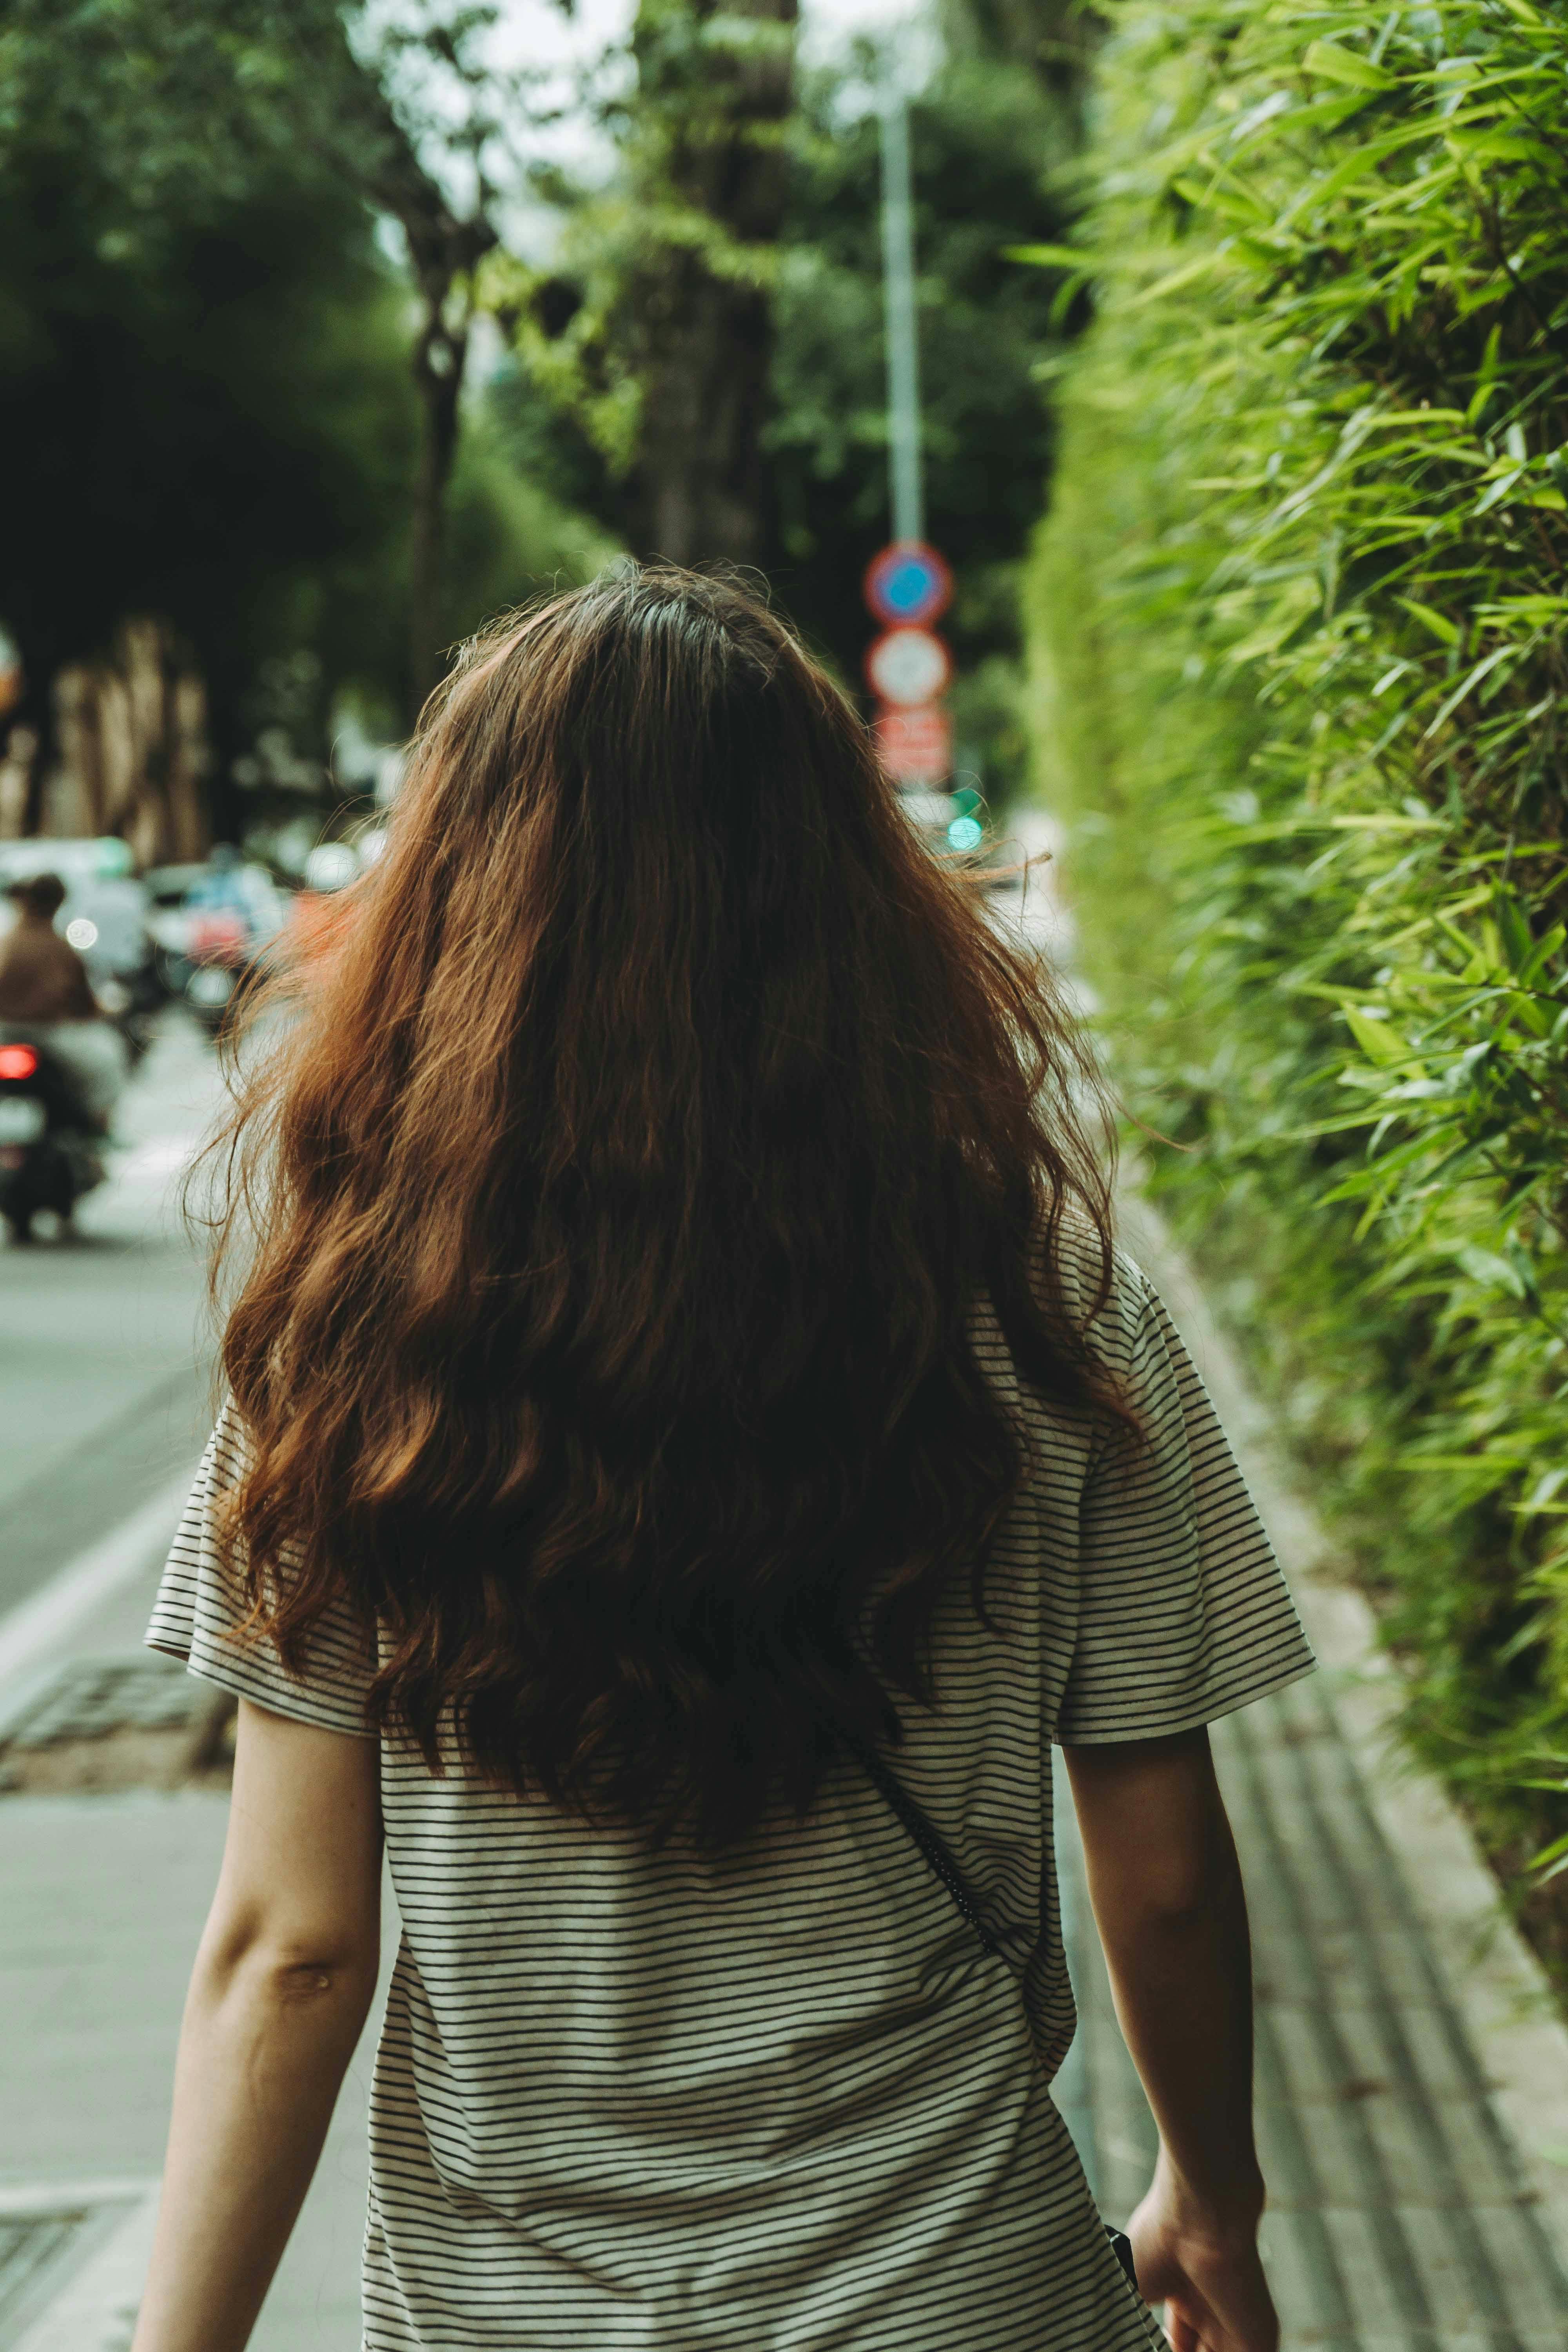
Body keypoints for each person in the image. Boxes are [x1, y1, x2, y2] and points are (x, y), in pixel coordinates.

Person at [137, 568, 1313, 2352]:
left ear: (457, 906)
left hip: (502, 2297)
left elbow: (290, 1949)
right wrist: (1204, 2195)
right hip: (949, 2272)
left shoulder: (349, 1337)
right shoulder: (1042, 1306)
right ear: (847, 901)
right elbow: (1156, 1861)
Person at [0, 870, 128, 1125]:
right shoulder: (59, 947)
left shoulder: (9, 942)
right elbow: (83, 1000)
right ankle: (100, 1126)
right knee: (109, 1058)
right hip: (52, 1035)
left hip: (6, 1033)